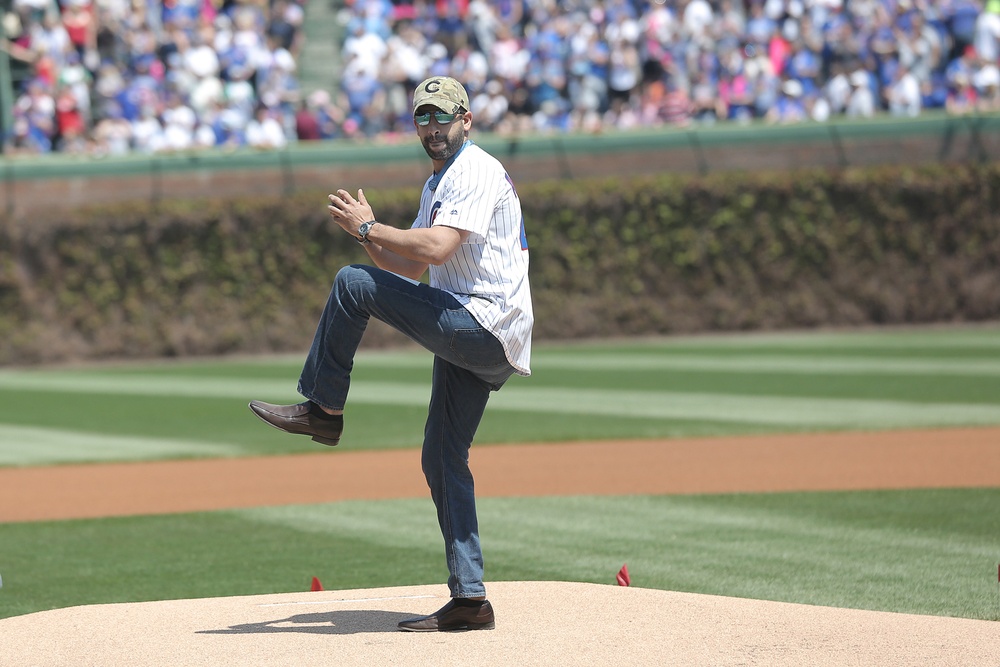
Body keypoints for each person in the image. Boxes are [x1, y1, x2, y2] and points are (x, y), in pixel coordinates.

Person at [248, 76, 533, 632]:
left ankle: (324, 411)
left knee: (351, 285)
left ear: (467, 120)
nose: (432, 127)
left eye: (442, 117)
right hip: (477, 329)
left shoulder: (473, 168)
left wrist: (371, 226)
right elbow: (409, 269)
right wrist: (367, 236)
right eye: (423, 118)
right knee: (442, 458)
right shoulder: (439, 183)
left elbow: (437, 246)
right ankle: (471, 599)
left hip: (482, 322)